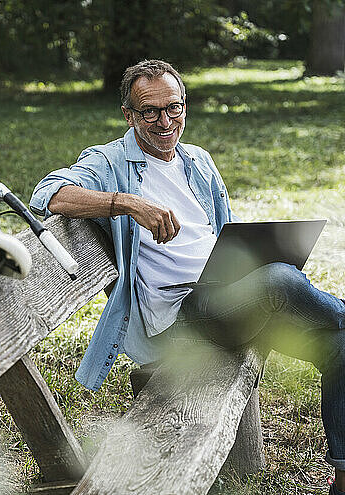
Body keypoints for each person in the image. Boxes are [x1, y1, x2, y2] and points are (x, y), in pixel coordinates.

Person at [29, 59, 345, 494]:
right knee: (279, 280)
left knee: (339, 344)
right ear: (129, 115)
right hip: (185, 316)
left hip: (231, 295)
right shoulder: (108, 162)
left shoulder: (197, 160)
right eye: (150, 111)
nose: (164, 121)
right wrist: (131, 204)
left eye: (174, 108)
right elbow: (49, 194)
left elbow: (224, 232)